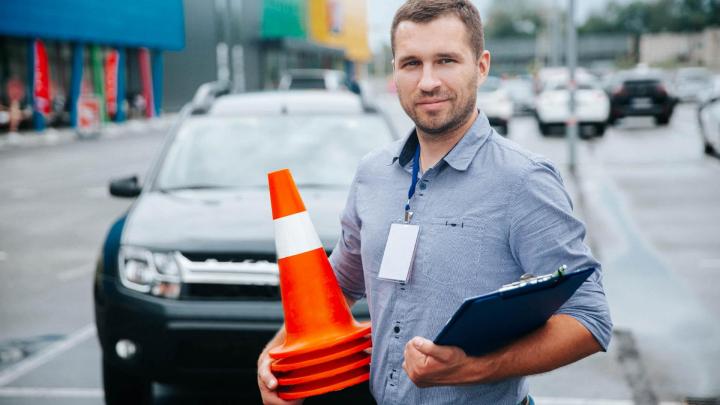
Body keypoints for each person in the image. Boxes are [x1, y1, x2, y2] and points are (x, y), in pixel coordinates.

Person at [257, 1, 612, 404]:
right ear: (394, 71)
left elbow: (590, 319)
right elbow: (337, 286)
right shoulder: (372, 173)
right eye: (411, 64)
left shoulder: (524, 181)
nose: (427, 82)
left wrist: (476, 368)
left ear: (481, 66)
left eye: (445, 60)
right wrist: (276, 353)